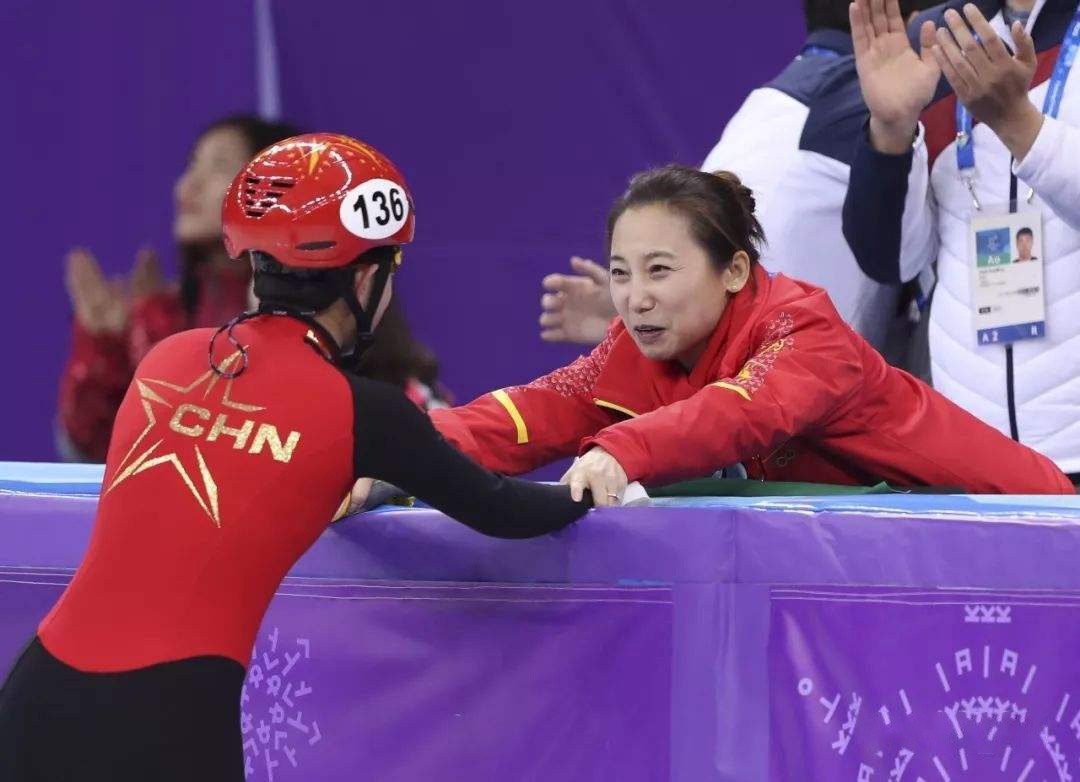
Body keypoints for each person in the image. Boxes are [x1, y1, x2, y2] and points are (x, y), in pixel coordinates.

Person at [0, 134, 590, 781]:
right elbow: (504, 510)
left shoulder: (167, 356)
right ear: (366, 279)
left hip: (38, 692)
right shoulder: (365, 412)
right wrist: (602, 478)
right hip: (169, 716)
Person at [432, 165, 1073, 502]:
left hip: (1027, 526)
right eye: (621, 273)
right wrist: (412, 450)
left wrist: (619, 451)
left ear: (734, 271)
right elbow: (539, 407)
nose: (634, 296)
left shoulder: (805, 330)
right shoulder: (634, 347)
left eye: (660, 270)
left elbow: (738, 412)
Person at [539, 0, 939, 362]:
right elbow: (904, 257)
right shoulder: (857, 99)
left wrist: (647, 317)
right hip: (785, 392)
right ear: (912, 21)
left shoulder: (768, 103)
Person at [58, 115, 447, 463]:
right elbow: (97, 456)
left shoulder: (343, 315)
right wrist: (103, 353)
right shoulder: (162, 317)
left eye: (218, 166)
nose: (187, 185)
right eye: (192, 164)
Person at [842, 0, 1080, 485]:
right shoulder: (939, 38)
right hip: (969, 459)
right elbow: (892, 260)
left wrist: (1020, 125)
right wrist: (890, 130)